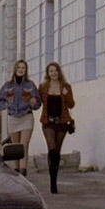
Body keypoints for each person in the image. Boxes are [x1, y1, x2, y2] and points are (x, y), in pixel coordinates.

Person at [0, 60, 41, 175]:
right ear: (15, 69)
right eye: (19, 68)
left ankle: (23, 171)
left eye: (23, 68)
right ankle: (16, 170)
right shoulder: (8, 85)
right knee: (16, 147)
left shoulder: (30, 85)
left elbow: (38, 102)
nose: (21, 70)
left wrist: (34, 102)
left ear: (26, 70)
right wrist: (6, 105)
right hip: (13, 117)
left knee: (24, 145)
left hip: (26, 116)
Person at [38, 62, 76, 194]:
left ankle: (54, 180)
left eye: (55, 71)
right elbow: (37, 101)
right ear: (47, 74)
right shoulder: (43, 87)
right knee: (52, 149)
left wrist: (66, 94)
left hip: (62, 122)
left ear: (59, 72)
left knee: (57, 152)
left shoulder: (66, 86)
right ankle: (52, 182)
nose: (54, 73)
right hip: (47, 122)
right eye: (51, 71)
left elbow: (71, 105)